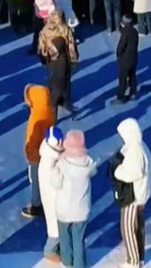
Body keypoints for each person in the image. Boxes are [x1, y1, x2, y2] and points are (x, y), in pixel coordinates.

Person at [113, 117, 151, 266]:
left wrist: (117, 171)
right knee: (137, 226)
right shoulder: (141, 145)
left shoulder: (135, 150)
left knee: (128, 228)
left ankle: (133, 261)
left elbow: (133, 173)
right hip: (141, 194)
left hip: (132, 197)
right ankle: (139, 256)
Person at [56, 130, 97, 268]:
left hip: (64, 208)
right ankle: (79, 264)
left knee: (64, 236)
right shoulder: (88, 163)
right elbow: (94, 171)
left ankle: (67, 261)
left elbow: (55, 182)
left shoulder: (62, 163)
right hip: (81, 210)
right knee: (78, 238)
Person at [22, 85, 56, 219]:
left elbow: (32, 139)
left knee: (35, 180)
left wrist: (29, 155)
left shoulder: (36, 117)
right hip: (48, 154)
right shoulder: (49, 111)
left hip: (36, 156)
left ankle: (36, 205)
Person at [36, 127, 65, 262]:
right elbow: (56, 181)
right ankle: (50, 250)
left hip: (55, 196)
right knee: (55, 227)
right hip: (53, 197)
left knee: (57, 225)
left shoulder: (50, 153)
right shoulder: (49, 160)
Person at [115, 14, 139, 103]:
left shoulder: (125, 33)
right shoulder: (135, 31)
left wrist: (118, 55)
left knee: (123, 78)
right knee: (132, 76)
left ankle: (120, 97)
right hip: (134, 57)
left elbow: (121, 46)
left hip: (125, 59)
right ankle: (133, 93)